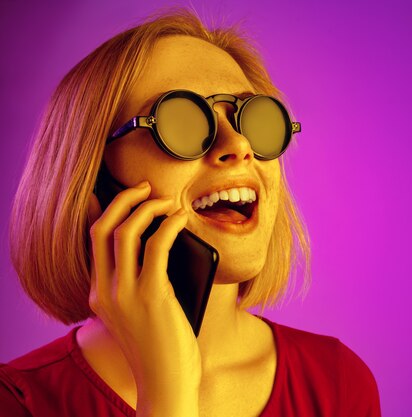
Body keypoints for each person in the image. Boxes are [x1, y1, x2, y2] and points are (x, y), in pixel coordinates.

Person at [0, 9, 380, 417]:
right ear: (93, 183)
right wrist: (167, 391)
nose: (238, 145)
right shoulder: (19, 402)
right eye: (180, 122)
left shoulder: (337, 381)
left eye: (253, 118)